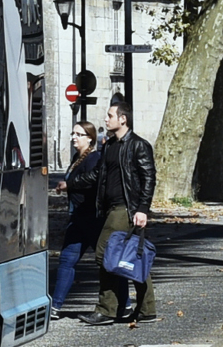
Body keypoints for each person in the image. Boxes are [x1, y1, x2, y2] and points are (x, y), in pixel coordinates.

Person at [87, 98, 156, 326]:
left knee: (104, 253)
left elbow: (148, 178)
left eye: (110, 115)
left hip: (126, 209)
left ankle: (107, 309)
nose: (105, 119)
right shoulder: (108, 145)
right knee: (131, 256)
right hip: (110, 209)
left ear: (122, 119)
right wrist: (71, 182)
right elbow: (98, 175)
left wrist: (142, 209)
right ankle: (146, 309)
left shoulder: (138, 145)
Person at [49, 124, 103, 312]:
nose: (74, 137)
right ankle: (55, 306)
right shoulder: (77, 159)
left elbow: (92, 181)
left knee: (107, 262)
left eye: (79, 134)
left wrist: (69, 185)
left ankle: (124, 303)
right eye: (73, 133)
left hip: (90, 219)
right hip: (77, 219)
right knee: (66, 260)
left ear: (90, 138)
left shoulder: (93, 157)